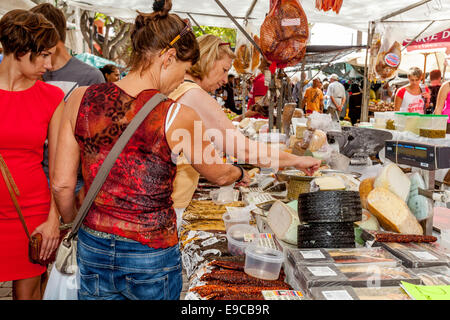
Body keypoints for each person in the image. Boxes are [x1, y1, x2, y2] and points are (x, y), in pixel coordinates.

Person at [52, 0, 246, 301]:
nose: (182, 78)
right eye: (183, 69)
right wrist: (241, 172)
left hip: (93, 245)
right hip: (150, 252)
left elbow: (62, 183)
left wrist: (73, 224)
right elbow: (218, 173)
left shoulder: (79, 99)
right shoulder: (177, 114)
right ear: (168, 58)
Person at [167, 34, 321, 226]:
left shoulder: (176, 87)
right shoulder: (194, 95)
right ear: (208, 60)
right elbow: (243, 149)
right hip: (173, 204)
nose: (225, 79)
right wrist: (297, 161)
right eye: (223, 70)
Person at [0, 9, 64, 300]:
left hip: (32, 214)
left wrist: (53, 220)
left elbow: (59, 168)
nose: (49, 65)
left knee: (27, 296)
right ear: (22, 50)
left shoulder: (51, 97)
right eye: (44, 55)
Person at [30, 3, 105, 200]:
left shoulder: (91, 77)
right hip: (32, 177)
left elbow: (96, 142)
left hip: (73, 181)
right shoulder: (28, 73)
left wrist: (85, 190)